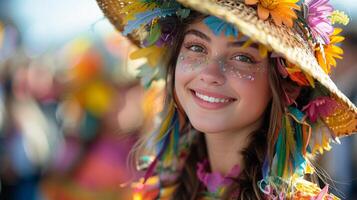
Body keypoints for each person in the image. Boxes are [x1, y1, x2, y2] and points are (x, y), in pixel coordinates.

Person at [95, 0, 357, 199]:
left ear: (286, 87)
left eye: (242, 58)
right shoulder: (160, 193)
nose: (209, 74)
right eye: (197, 47)